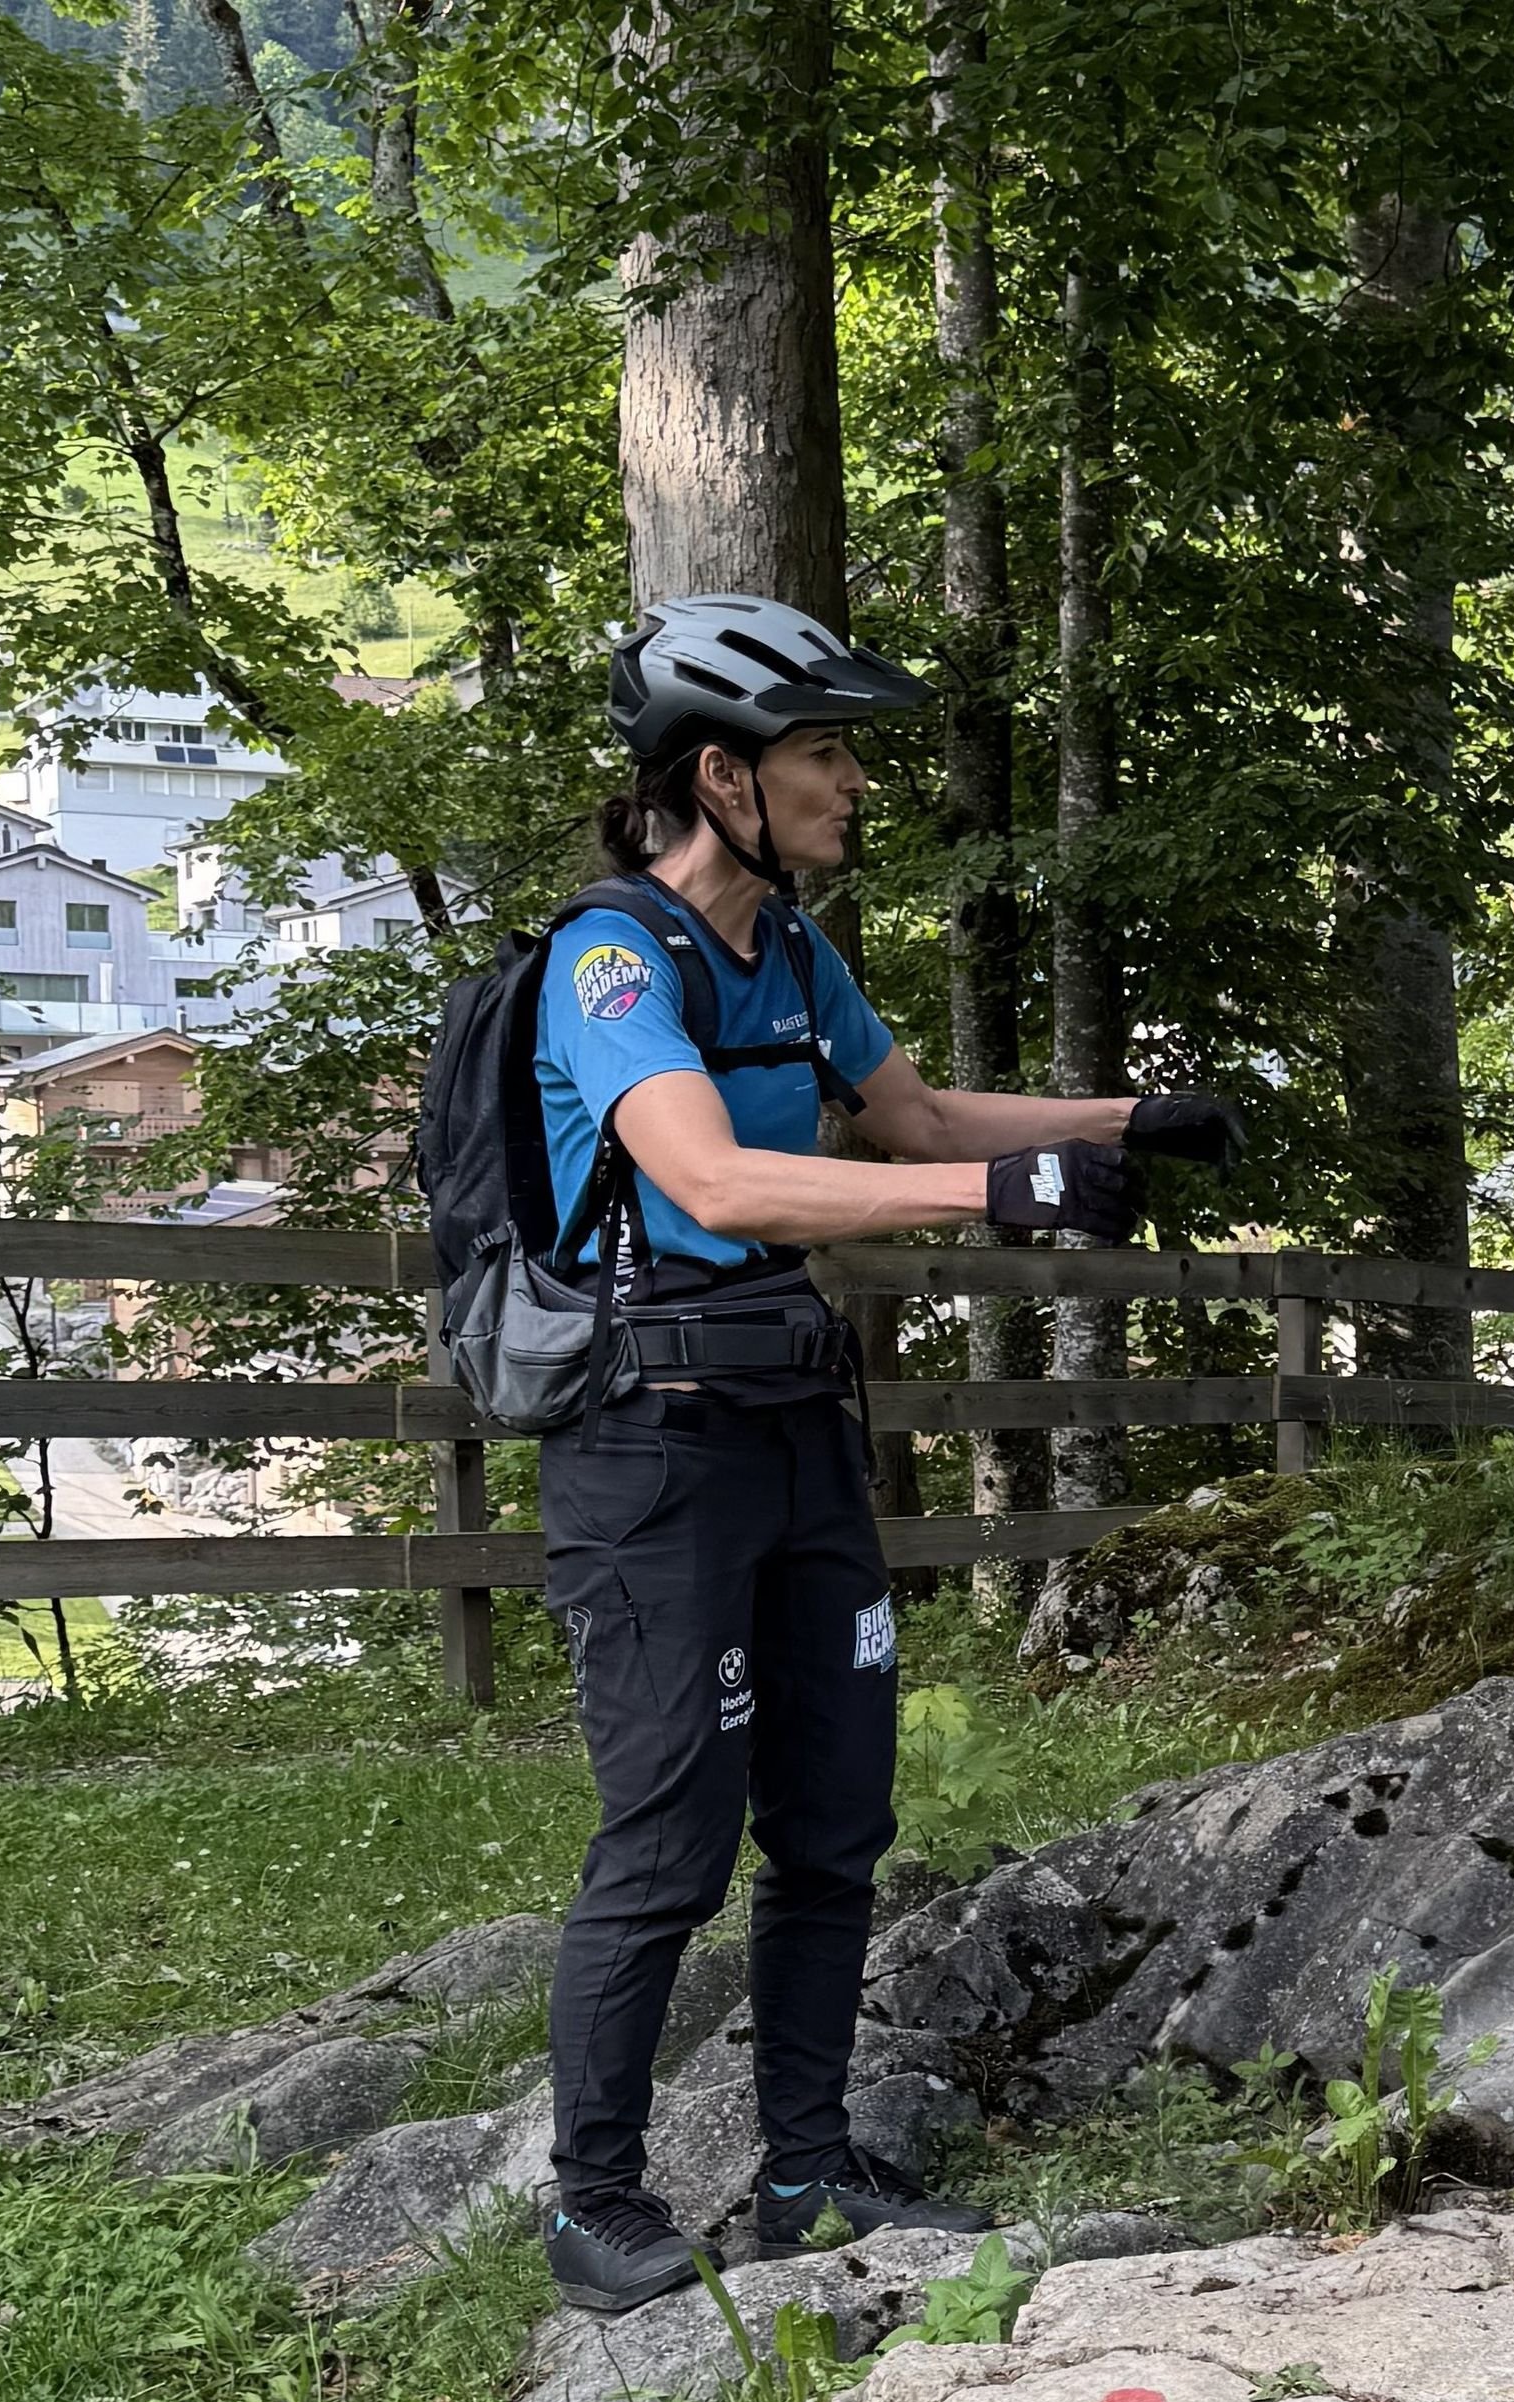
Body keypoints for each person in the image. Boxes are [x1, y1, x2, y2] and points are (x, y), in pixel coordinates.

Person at [531, 594, 1243, 2315]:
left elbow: (912, 1120)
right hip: (652, 1447)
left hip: (794, 1427)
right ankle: (596, 2199)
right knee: (672, 1833)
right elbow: (714, 1180)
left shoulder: (792, 951)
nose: (857, 785)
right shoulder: (612, 960)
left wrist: (1116, 1121)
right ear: (722, 775)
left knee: (836, 1814)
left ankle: (804, 2171)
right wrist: (989, 1201)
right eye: (826, 755)